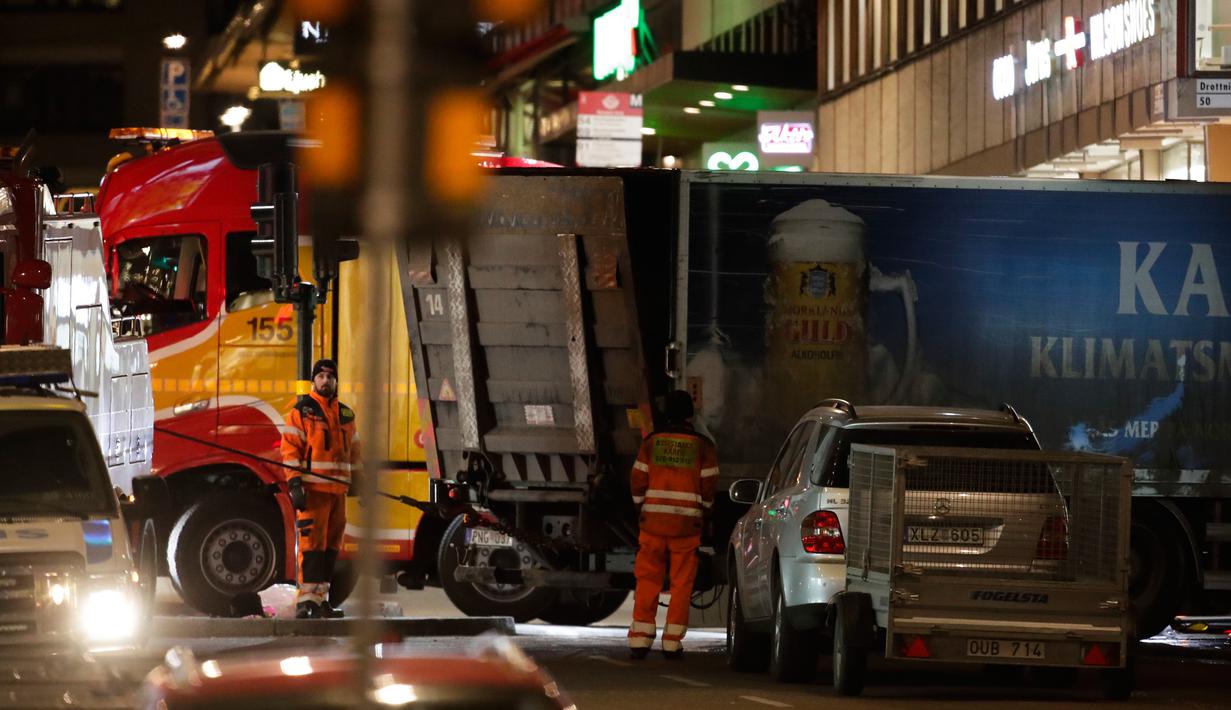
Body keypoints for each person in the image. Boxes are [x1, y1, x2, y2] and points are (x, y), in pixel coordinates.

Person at [627, 390, 719, 659]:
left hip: (652, 524)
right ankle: (671, 642)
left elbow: (637, 478)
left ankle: (640, 640)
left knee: (647, 579)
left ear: (666, 413)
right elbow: (709, 485)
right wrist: (705, 511)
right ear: (690, 414)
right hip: (685, 527)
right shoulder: (703, 445)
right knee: (681, 583)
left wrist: (641, 506)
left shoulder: (652, 442)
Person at [280, 358, 362, 619]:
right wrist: (294, 483)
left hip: (338, 493)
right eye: (321, 376)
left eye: (330, 376)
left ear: (336, 381)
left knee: (330, 549)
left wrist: (358, 481)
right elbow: (291, 450)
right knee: (312, 547)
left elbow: (355, 451)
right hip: (313, 493)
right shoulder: (302, 411)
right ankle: (306, 603)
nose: (326, 380)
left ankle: (321, 600)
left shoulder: (346, 414)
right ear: (314, 381)